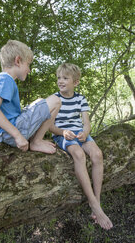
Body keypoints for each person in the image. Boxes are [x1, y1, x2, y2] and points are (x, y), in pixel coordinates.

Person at [49, 63, 113, 230]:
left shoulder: (80, 99)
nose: (60, 81)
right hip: (62, 133)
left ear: (75, 82)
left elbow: (86, 123)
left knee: (97, 154)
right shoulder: (55, 99)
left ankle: (97, 201)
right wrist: (62, 132)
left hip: (79, 132)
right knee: (78, 154)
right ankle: (92, 203)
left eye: (65, 78)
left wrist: (85, 133)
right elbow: (50, 126)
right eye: (58, 78)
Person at [0, 39, 61, 154]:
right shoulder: (6, 79)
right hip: (9, 133)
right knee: (56, 101)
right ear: (18, 61)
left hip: (4, 133)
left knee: (39, 102)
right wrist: (18, 136)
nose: (29, 70)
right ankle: (37, 141)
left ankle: (34, 139)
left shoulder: (1, 79)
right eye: (28, 64)